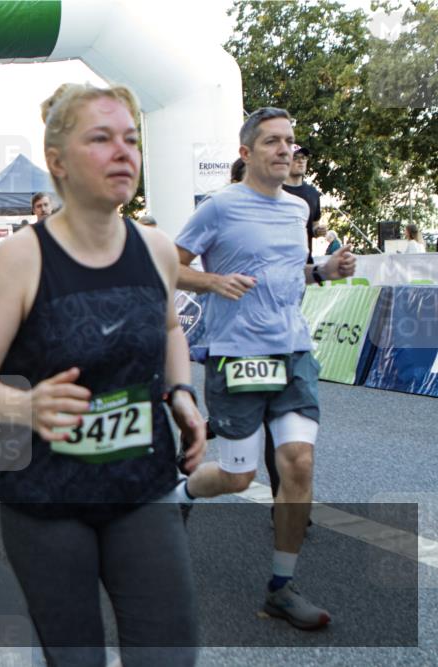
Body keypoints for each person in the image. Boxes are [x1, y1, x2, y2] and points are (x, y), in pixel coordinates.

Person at [0, 83, 206, 666]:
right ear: (58, 162)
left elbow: (168, 329)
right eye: (102, 139)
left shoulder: (157, 249)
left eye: (131, 140)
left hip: (141, 482)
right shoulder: (24, 257)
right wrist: (26, 407)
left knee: (170, 654)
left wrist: (182, 394)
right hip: (46, 496)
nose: (124, 153)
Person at [174, 106, 357, 632]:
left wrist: (325, 269)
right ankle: (180, 492)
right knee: (238, 475)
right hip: (238, 354)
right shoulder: (218, 208)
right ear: (246, 152)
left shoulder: (298, 210)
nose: (285, 150)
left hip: (293, 350)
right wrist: (212, 283)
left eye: (291, 142)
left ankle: (282, 586)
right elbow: (170, 265)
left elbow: (287, 275)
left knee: (297, 461)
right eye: (274, 141)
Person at [282, 144, 323, 263]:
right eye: (295, 158)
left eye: (304, 158)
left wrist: (317, 231)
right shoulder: (274, 191)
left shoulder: (313, 193)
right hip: (279, 262)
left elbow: (314, 224)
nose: (301, 161)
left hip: (305, 263)